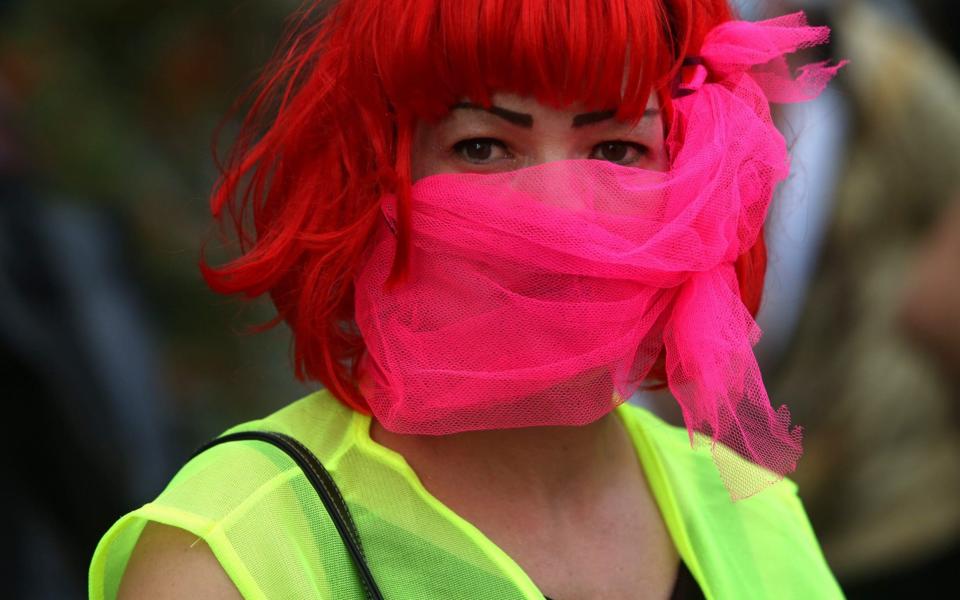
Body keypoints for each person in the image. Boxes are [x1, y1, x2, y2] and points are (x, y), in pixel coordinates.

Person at [89, 1, 844, 598]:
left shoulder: (751, 508)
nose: (557, 217)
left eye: (617, 149)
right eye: (483, 146)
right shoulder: (231, 554)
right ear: (379, 181)